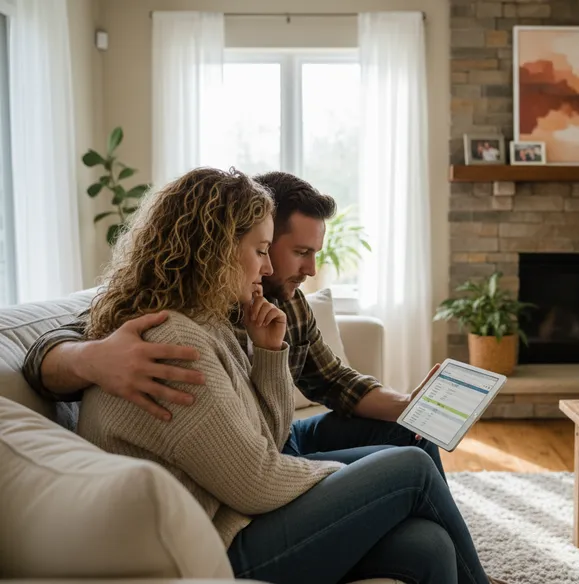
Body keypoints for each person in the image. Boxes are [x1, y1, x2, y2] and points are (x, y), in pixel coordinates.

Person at [73, 167, 493, 584]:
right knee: (410, 468)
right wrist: (356, 477)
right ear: (218, 249)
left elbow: (293, 414)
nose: (268, 268)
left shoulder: (213, 321)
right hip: (208, 545)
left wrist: (273, 354)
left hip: (234, 508)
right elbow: (257, 479)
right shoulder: (170, 342)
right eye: (262, 250)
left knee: (428, 542)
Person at [22, 171, 446, 480]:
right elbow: (48, 348)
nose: (310, 269)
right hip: (254, 461)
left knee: (414, 435)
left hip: (284, 437)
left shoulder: (289, 303)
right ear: (247, 238)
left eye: (315, 253)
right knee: (407, 470)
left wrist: (409, 405)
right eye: (298, 252)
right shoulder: (180, 307)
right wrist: (92, 358)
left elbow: (332, 379)